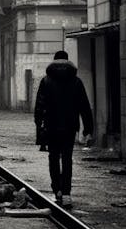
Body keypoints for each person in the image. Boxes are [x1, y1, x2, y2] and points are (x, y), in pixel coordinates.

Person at [34, 50, 93, 209]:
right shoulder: (76, 81)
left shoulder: (46, 81)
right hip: (70, 126)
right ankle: (66, 193)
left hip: (51, 126)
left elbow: (39, 106)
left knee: (53, 157)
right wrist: (88, 129)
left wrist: (38, 126)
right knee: (67, 158)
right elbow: (84, 107)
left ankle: (57, 190)